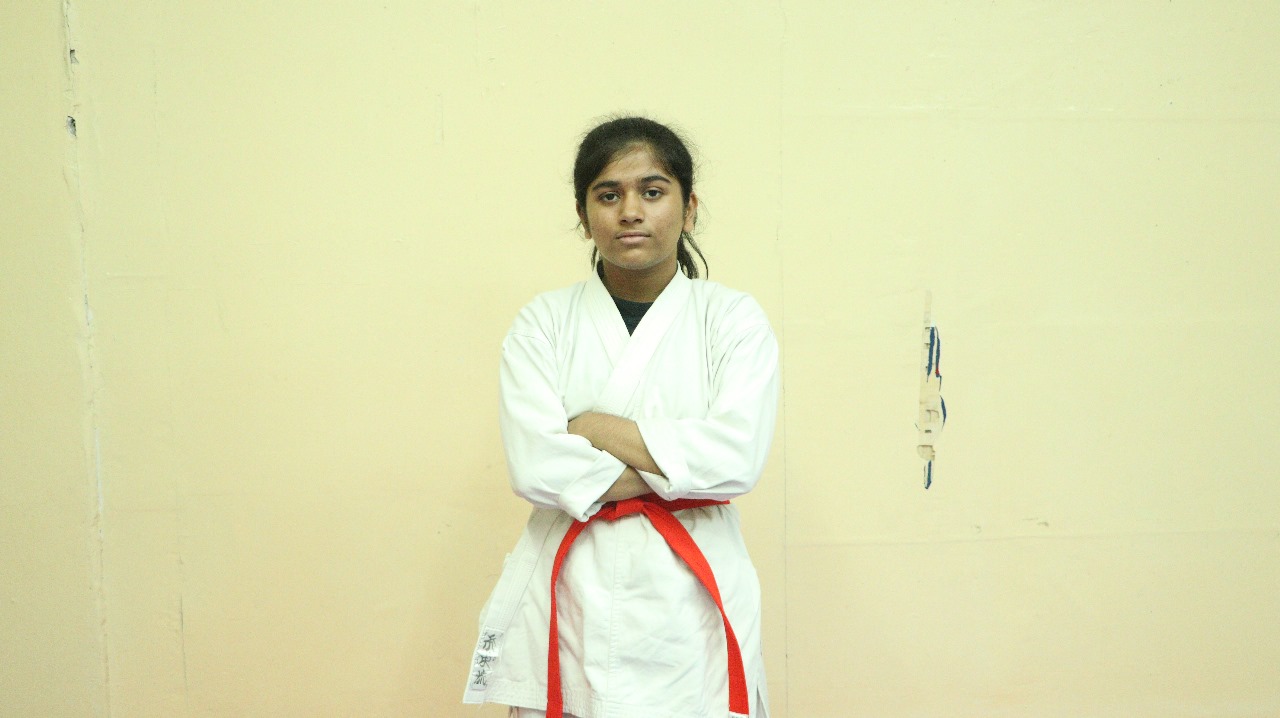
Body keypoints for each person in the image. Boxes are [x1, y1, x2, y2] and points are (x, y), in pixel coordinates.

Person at [463, 116, 779, 718]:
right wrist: (680, 470)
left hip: (690, 595)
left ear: (689, 210)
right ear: (584, 217)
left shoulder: (733, 320)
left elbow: (736, 459)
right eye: (608, 195)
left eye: (652, 192)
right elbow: (536, 467)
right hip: (573, 585)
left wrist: (595, 429)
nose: (630, 211)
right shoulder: (543, 323)